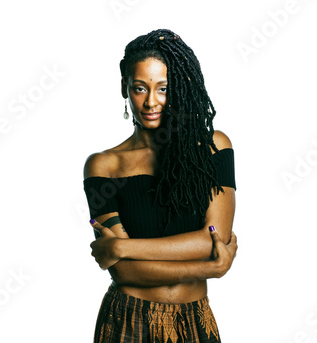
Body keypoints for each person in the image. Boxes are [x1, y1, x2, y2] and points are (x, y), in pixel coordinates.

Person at [83, 28, 238, 343]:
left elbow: (214, 238)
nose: (151, 102)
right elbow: (124, 272)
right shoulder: (105, 166)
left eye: (163, 88)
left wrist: (122, 247)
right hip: (128, 320)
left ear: (180, 88)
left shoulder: (213, 148)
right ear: (124, 87)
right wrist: (209, 269)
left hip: (196, 320)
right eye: (140, 88)